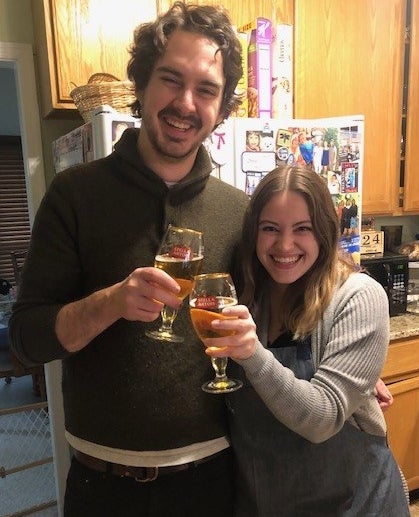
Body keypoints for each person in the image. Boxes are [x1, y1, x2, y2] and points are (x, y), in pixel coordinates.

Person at [8, 3, 250, 516]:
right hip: (104, 489)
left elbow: (279, 318)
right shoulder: (74, 195)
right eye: (170, 79)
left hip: (213, 483)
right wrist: (111, 302)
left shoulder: (239, 210)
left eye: (206, 89)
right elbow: (27, 340)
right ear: (141, 81)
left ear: (222, 106)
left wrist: (344, 372)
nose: (185, 103)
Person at [203, 164, 409, 516]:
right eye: (270, 229)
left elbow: (323, 419)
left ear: (325, 232)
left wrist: (254, 355)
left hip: (356, 506)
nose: (284, 245)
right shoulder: (249, 296)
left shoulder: (358, 296)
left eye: (303, 229)